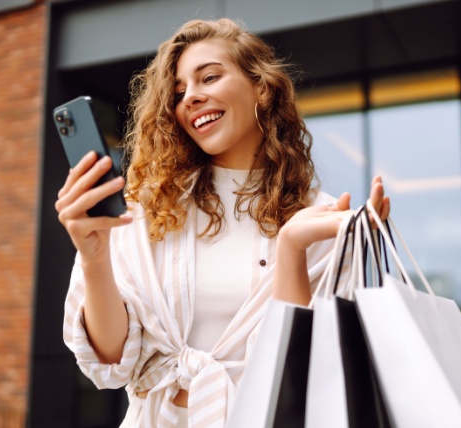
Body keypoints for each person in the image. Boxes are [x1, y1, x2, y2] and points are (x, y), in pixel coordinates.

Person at [56, 18, 389, 428]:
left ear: (261, 87)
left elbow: (306, 372)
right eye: (178, 93)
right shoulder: (144, 213)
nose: (191, 97)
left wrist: (291, 249)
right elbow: (109, 362)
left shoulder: (319, 219)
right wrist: (93, 259)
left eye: (209, 77)